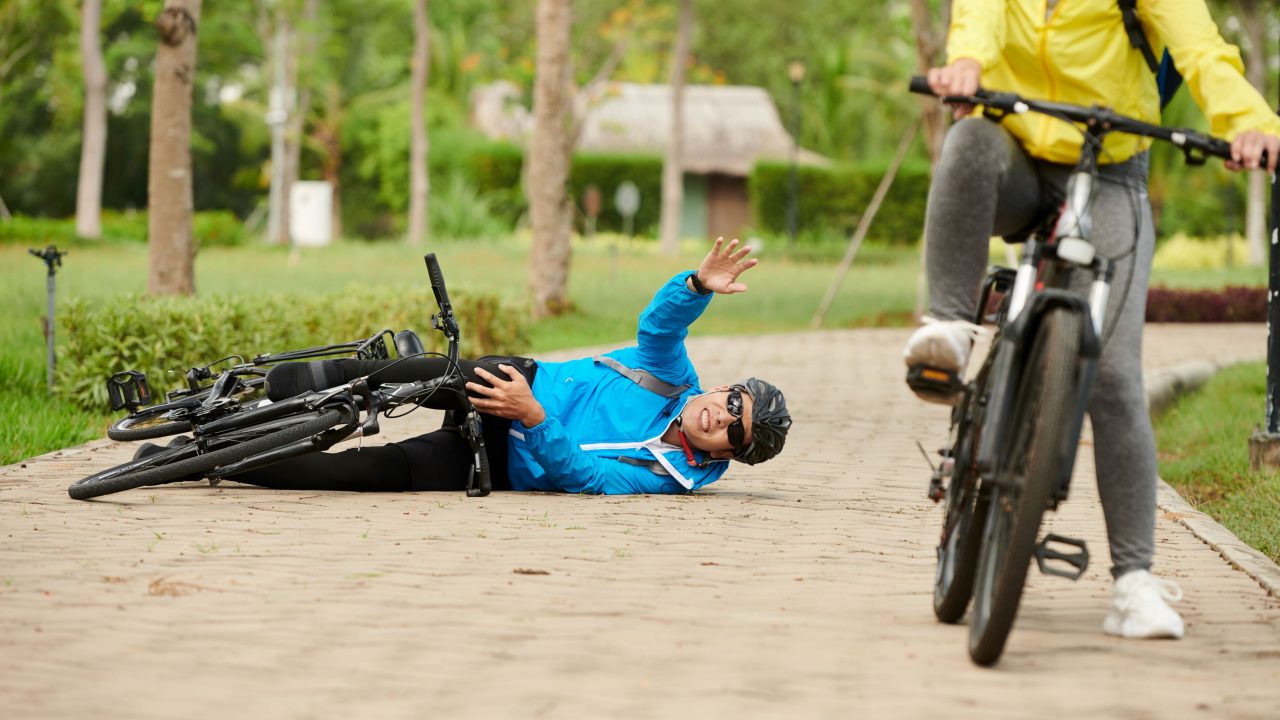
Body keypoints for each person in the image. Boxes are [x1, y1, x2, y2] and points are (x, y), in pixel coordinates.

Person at [905, 0, 1280, 640]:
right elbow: (979, 16)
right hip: (1016, 152)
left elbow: (1200, 47)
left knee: (1114, 377)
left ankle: (1133, 580)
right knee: (967, 140)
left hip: (1111, 170)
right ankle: (948, 327)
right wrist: (966, 62)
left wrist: (1250, 121)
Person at [177, 237, 791, 496]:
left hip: (501, 458)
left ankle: (198, 460)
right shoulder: (670, 373)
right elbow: (659, 325)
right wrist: (695, 284)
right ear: (724, 388)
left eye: (731, 432)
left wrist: (536, 421)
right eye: (731, 402)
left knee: (365, 472)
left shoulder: (668, 479)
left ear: (724, 455)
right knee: (412, 376)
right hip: (520, 379)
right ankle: (305, 384)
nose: (719, 417)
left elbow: (586, 480)